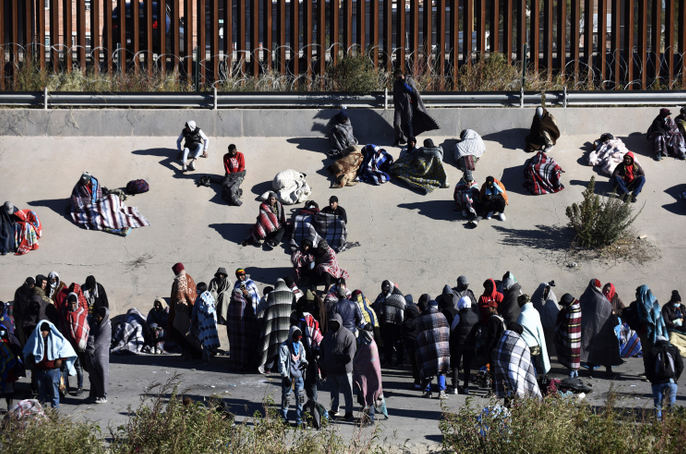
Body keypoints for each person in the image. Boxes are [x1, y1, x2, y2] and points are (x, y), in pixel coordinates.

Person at [70, 172, 150, 235]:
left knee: (113, 199)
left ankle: (122, 222)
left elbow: (99, 192)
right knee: (98, 217)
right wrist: (87, 206)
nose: (85, 183)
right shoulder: (78, 187)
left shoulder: (94, 182)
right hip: (88, 205)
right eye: (83, 182)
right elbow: (77, 200)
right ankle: (120, 225)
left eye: (86, 181)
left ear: (89, 179)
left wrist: (100, 199)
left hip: (99, 200)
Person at [23, 322, 77, 410]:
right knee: (41, 393)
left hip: (52, 371)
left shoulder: (57, 339)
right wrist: (28, 358)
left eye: (44, 330)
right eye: (40, 330)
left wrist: (61, 359)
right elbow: (27, 350)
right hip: (39, 371)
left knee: (54, 393)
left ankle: (55, 412)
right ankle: (42, 413)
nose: (42, 332)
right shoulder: (35, 339)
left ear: (49, 331)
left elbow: (66, 349)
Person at [578, 279, 623, 378]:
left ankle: (590, 371)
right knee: (606, 349)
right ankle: (608, 370)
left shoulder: (583, 297)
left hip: (588, 330)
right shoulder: (602, 299)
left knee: (591, 352)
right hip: (602, 330)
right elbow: (607, 311)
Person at [319, 313, 356, 421]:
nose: (332, 325)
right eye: (331, 323)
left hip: (343, 371)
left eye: (335, 323)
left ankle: (349, 411)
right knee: (334, 391)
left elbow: (350, 354)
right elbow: (322, 347)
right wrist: (322, 361)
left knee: (347, 391)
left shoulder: (348, 335)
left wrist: (343, 360)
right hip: (331, 370)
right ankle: (335, 408)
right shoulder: (328, 335)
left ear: (339, 323)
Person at [493, 322, 542, 402]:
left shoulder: (502, 339)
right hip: (515, 370)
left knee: (507, 389)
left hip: (503, 369)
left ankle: (506, 409)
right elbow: (525, 360)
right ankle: (517, 411)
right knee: (517, 388)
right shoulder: (520, 342)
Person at [257, 279, 296, 374]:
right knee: (285, 348)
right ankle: (284, 368)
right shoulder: (291, 294)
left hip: (274, 326)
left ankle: (268, 368)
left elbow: (268, 311)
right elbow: (294, 312)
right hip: (286, 327)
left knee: (272, 346)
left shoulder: (272, 294)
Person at [392, 69, 438, 147]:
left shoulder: (409, 80)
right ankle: (397, 139)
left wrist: (404, 84)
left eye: (397, 77)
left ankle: (411, 141)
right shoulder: (396, 83)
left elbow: (413, 91)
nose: (396, 80)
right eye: (396, 78)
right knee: (397, 124)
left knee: (408, 123)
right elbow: (395, 94)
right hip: (399, 106)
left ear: (401, 75)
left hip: (408, 105)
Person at [415, 300, 451, 399]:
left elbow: (418, 333)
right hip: (441, 348)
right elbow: (447, 330)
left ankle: (428, 392)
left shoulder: (422, 317)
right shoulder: (442, 316)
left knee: (427, 368)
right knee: (441, 368)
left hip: (427, 348)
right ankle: (441, 391)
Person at [292, 297, 323, 402]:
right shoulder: (299, 330)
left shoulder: (314, 329)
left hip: (311, 360)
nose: (303, 324)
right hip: (300, 360)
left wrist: (316, 353)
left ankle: (313, 402)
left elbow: (319, 343)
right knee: (303, 383)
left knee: (311, 382)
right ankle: (308, 402)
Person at [645, 335, 683, 420]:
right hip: (671, 381)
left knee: (657, 404)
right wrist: (675, 377)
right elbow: (680, 366)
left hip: (657, 382)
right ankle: (671, 424)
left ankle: (658, 425)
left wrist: (652, 379)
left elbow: (648, 368)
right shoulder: (674, 350)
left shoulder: (652, 351)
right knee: (671, 404)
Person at [353, 324, 385, 425]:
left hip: (370, 376)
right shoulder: (364, 344)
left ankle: (370, 418)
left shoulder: (371, 346)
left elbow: (372, 363)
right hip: (364, 376)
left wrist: (358, 364)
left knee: (369, 397)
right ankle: (367, 416)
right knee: (365, 396)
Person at [59, 293, 89, 396]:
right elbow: (60, 328)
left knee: (78, 366)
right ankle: (64, 388)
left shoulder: (81, 312)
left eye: (74, 303)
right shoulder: (63, 312)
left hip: (77, 345)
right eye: (70, 303)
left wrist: (81, 342)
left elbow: (85, 328)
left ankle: (80, 386)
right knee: (64, 367)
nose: (72, 306)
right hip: (66, 344)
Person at [167, 263, 199, 361]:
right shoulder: (190, 278)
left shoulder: (179, 280)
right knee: (189, 332)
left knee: (183, 332)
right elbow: (192, 293)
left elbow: (178, 295)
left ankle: (187, 353)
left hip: (181, 311)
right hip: (189, 308)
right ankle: (193, 352)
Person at [278, 326, 308, 426]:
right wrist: (285, 376)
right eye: (296, 338)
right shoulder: (284, 347)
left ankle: (299, 420)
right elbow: (281, 363)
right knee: (286, 399)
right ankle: (284, 419)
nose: (297, 340)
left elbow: (302, 357)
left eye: (299, 338)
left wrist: (304, 362)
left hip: (299, 377)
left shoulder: (300, 345)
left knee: (300, 400)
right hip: (289, 377)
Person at [449, 295, 480, 394]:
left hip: (458, 343)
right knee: (467, 366)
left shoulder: (459, 315)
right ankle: (466, 386)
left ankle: (455, 387)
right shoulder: (476, 316)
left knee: (456, 365)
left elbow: (453, 328)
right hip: (470, 344)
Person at [635, 284, 668, 371]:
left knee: (651, 352)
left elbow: (653, 319)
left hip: (652, 332)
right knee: (646, 353)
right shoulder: (641, 302)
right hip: (643, 331)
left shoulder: (651, 302)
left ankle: (652, 372)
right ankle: (648, 371)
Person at [516, 294, 551, 376]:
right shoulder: (535, 311)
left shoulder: (523, 315)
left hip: (528, 347)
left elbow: (519, 330)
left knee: (529, 366)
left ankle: (531, 383)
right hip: (536, 345)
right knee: (533, 365)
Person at [374, 280, 406, 366]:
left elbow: (402, 307)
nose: (385, 291)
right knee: (387, 343)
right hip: (386, 324)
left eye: (386, 290)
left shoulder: (399, 296)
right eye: (383, 289)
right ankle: (388, 359)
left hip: (396, 324)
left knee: (398, 343)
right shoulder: (382, 296)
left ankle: (399, 361)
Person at [226, 288, 258, 372]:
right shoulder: (244, 302)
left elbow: (228, 318)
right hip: (244, 332)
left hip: (234, 332)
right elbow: (251, 314)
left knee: (235, 348)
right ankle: (244, 364)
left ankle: (234, 364)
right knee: (244, 347)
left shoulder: (231, 304)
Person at [85, 307, 111, 404]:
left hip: (101, 355)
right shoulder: (96, 325)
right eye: (96, 316)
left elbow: (99, 341)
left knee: (102, 375)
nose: (96, 318)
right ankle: (93, 395)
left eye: (98, 317)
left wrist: (90, 348)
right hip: (93, 354)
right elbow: (91, 335)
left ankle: (102, 395)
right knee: (93, 375)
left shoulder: (106, 328)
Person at [191, 282, 220, 365]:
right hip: (206, 323)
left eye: (198, 289)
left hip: (206, 323)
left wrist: (201, 320)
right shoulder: (202, 297)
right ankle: (206, 357)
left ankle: (206, 359)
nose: (197, 291)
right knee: (205, 341)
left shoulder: (205, 298)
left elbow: (206, 311)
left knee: (205, 341)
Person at [531, 281, 560, 358]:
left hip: (550, 328)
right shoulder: (536, 298)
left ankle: (547, 359)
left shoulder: (552, 297)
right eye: (544, 290)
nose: (546, 292)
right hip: (539, 327)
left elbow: (555, 311)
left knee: (549, 344)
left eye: (547, 290)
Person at [0, 317, 22, 410]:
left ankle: (10, 407)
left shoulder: (11, 339)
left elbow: (18, 351)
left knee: (9, 389)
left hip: (9, 369)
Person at [402, 302, 422, 389]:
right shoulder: (419, 321)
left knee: (414, 364)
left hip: (409, 347)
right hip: (419, 346)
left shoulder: (404, 323)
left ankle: (417, 382)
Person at [12, 277, 35, 346]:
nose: (32, 287)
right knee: (22, 338)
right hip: (20, 318)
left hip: (30, 319)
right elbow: (17, 306)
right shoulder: (20, 291)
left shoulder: (32, 291)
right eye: (31, 286)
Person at [663, 291, 686, 356]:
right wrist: (676, 326)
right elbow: (666, 320)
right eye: (677, 303)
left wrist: (684, 325)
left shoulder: (682, 307)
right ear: (673, 302)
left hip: (682, 329)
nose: (678, 304)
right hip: (672, 329)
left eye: (679, 302)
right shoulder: (666, 307)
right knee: (672, 339)